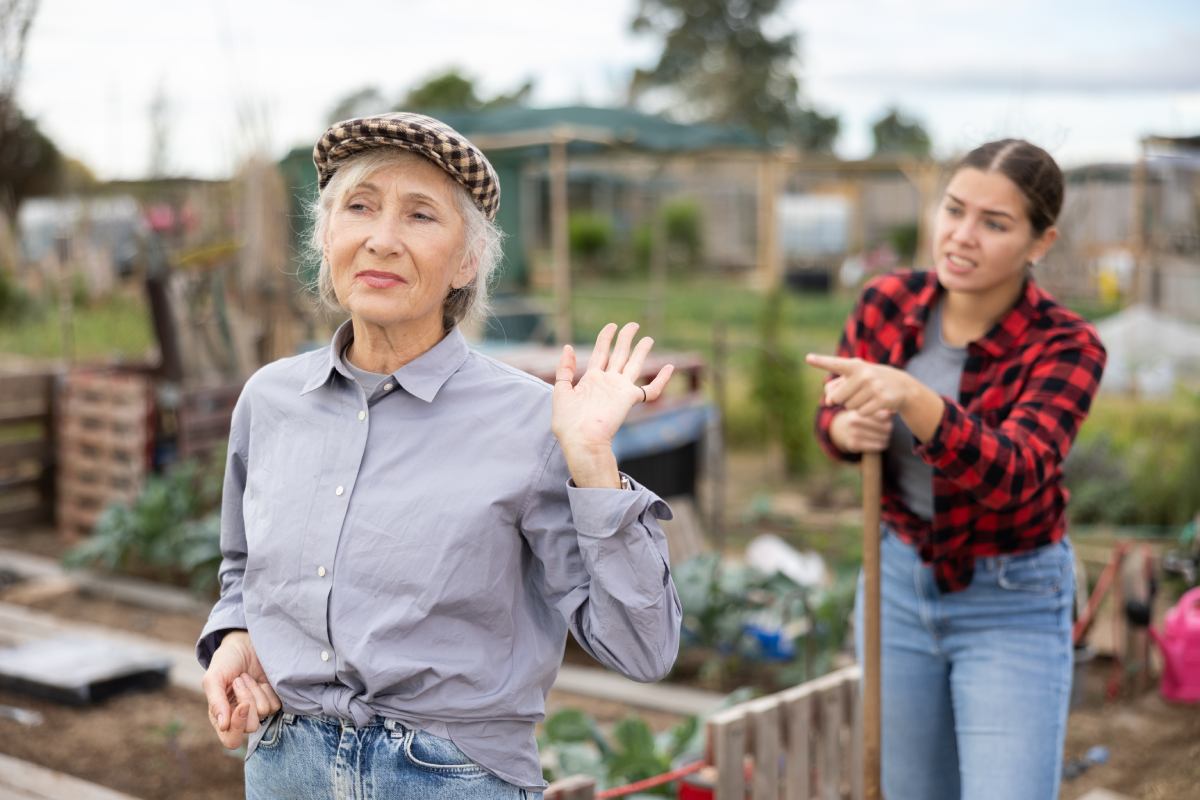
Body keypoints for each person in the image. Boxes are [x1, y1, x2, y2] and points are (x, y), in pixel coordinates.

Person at [196, 112, 682, 800]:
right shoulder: (271, 400)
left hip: (448, 777)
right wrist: (234, 635)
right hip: (285, 767)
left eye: (420, 215)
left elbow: (642, 648)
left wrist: (594, 465)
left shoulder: (532, 423)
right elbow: (242, 568)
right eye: (359, 208)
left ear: (468, 260)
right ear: (327, 237)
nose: (382, 240)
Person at [807, 139, 1106, 800]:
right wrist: (845, 428)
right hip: (896, 581)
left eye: (994, 224)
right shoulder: (885, 303)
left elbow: (1017, 473)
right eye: (954, 210)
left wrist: (915, 399)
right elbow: (832, 422)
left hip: (1012, 597)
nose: (961, 237)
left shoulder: (1066, 346)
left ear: (1039, 242)